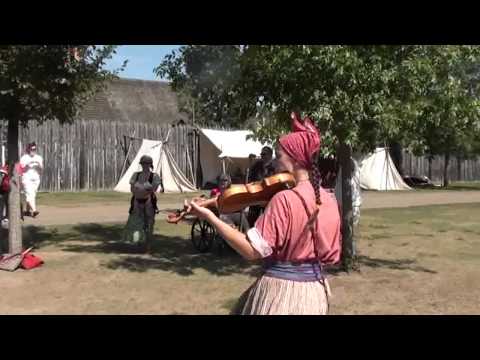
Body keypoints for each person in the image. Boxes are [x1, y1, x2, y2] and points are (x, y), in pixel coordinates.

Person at [189, 112, 341, 315]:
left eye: (279, 156)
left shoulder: (285, 199)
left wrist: (211, 217)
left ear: (295, 160)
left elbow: (252, 251)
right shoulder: (329, 199)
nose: (275, 163)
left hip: (282, 295)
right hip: (315, 293)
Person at [123, 155, 161, 252]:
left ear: (150, 164)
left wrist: (142, 187)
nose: (145, 165)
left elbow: (154, 188)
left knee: (149, 224)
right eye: (143, 163)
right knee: (137, 223)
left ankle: (148, 245)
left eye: (146, 163)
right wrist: (144, 188)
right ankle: (137, 243)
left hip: (148, 201)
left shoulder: (154, 176)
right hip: (137, 200)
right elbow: (132, 189)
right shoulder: (135, 175)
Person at [247, 146, 275, 226]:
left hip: (268, 197)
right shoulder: (257, 165)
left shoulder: (274, 167)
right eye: (261, 154)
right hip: (256, 195)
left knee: (267, 221)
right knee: (251, 219)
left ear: (270, 155)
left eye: (264, 154)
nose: (262, 156)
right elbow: (250, 178)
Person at [20, 142, 43, 218]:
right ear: (28, 149)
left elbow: (41, 169)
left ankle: (27, 211)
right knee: (29, 194)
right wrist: (26, 166)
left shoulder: (39, 158)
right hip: (26, 178)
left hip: (36, 179)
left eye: (34, 149)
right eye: (32, 149)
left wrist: (39, 165)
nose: (33, 151)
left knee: (32, 195)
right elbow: (21, 169)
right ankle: (34, 210)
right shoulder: (24, 158)